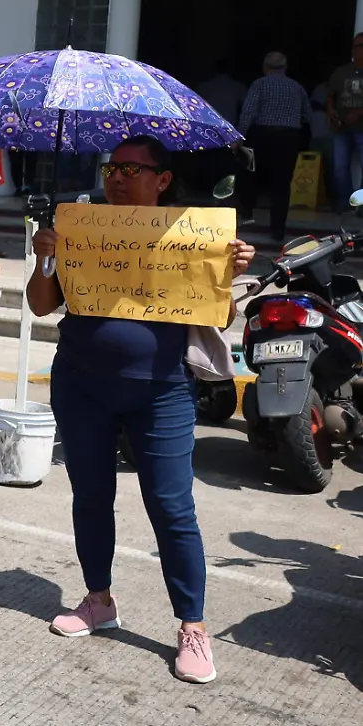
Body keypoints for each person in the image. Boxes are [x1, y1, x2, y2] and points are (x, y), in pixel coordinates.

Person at [27, 135, 256, 685]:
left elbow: (218, 315)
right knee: (91, 497)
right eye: (112, 167)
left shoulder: (193, 234)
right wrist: (46, 256)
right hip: (81, 386)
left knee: (172, 508)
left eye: (132, 168)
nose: (118, 176)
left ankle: (192, 626)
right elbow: (40, 304)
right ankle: (98, 600)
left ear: (163, 180)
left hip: (162, 391)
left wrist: (229, 267)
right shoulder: (81, 228)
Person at [239, 51, 312, 243]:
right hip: (288, 137)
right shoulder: (297, 87)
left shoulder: (259, 84)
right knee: (282, 184)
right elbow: (308, 115)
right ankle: (278, 229)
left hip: (262, 134)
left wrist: (239, 136)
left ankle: (247, 212)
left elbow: (248, 112)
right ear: (285, 68)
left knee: (250, 171)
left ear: (265, 67)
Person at [325, 33, 363, 204]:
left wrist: (359, 112)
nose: (357, 50)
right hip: (342, 127)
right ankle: (345, 203)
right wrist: (331, 110)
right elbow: (330, 95)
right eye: (355, 46)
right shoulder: (342, 72)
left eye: (361, 46)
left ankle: (360, 205)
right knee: (339, 168)